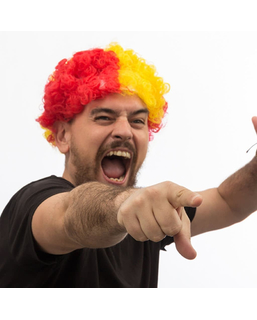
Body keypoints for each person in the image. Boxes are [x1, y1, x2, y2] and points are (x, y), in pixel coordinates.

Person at [0, 43, 257, 288]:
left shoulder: (144, 211)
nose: (124, 131)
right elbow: (69, 215)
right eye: (104, 117)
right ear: (63, 136)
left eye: (138, 121)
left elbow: (228, 202)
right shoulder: (32, 205)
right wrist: (123, 206)